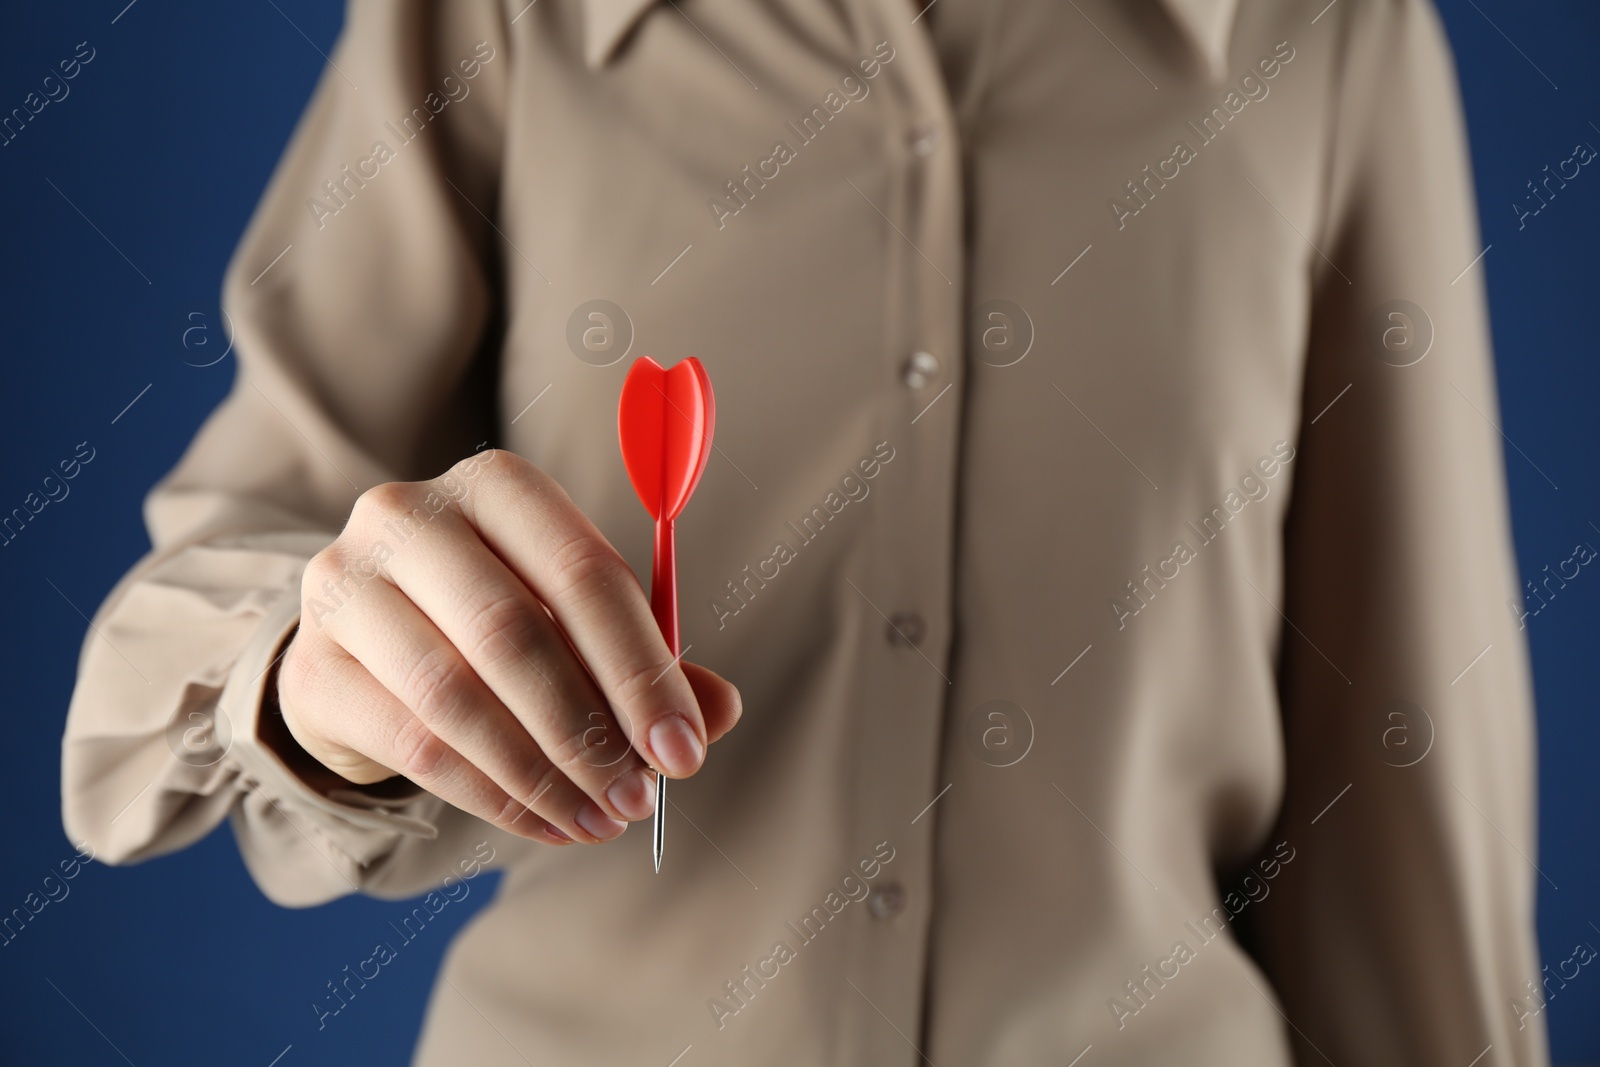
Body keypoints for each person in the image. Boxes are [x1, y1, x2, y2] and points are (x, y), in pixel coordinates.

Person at [61, 0, 1548, 1063]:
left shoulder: (1334, 40)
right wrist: (312, 669)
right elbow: (172, 649)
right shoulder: (500, 20)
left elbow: (1406, 752)